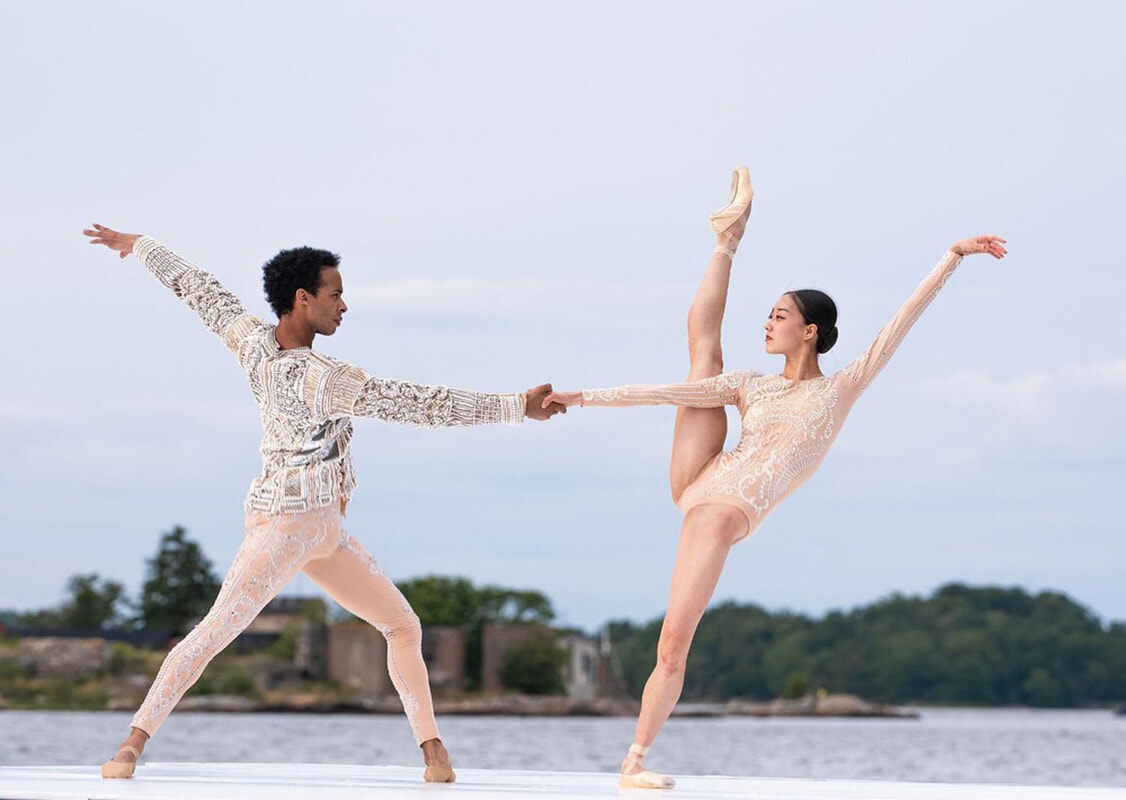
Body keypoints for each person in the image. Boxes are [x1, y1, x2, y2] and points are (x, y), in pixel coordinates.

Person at [542, 168, 1006, 788]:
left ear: (809, 331)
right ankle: (726, 240)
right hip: (704, 482)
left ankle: (633, 761)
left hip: (725, 508)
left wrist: (951, 257)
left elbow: (900, 323)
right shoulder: (749, 385)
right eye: (767, 314)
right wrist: (579, 397)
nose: (766, 323)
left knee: (673, 643)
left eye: (779, 315)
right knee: (703, 358)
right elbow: (663, 392)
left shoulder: (842, 388)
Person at [83, 224, 564, 782]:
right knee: (216, 630)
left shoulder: (252, 342)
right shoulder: (323, 379)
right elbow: (420, 405)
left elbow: (201, 292)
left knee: (403, 626)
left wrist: (141, 246)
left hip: (324, 531)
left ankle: (435, 755)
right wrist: (515, 406)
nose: (344, 305)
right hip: (286, 527)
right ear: (302, 299)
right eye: (335, 294)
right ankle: (130, 747)